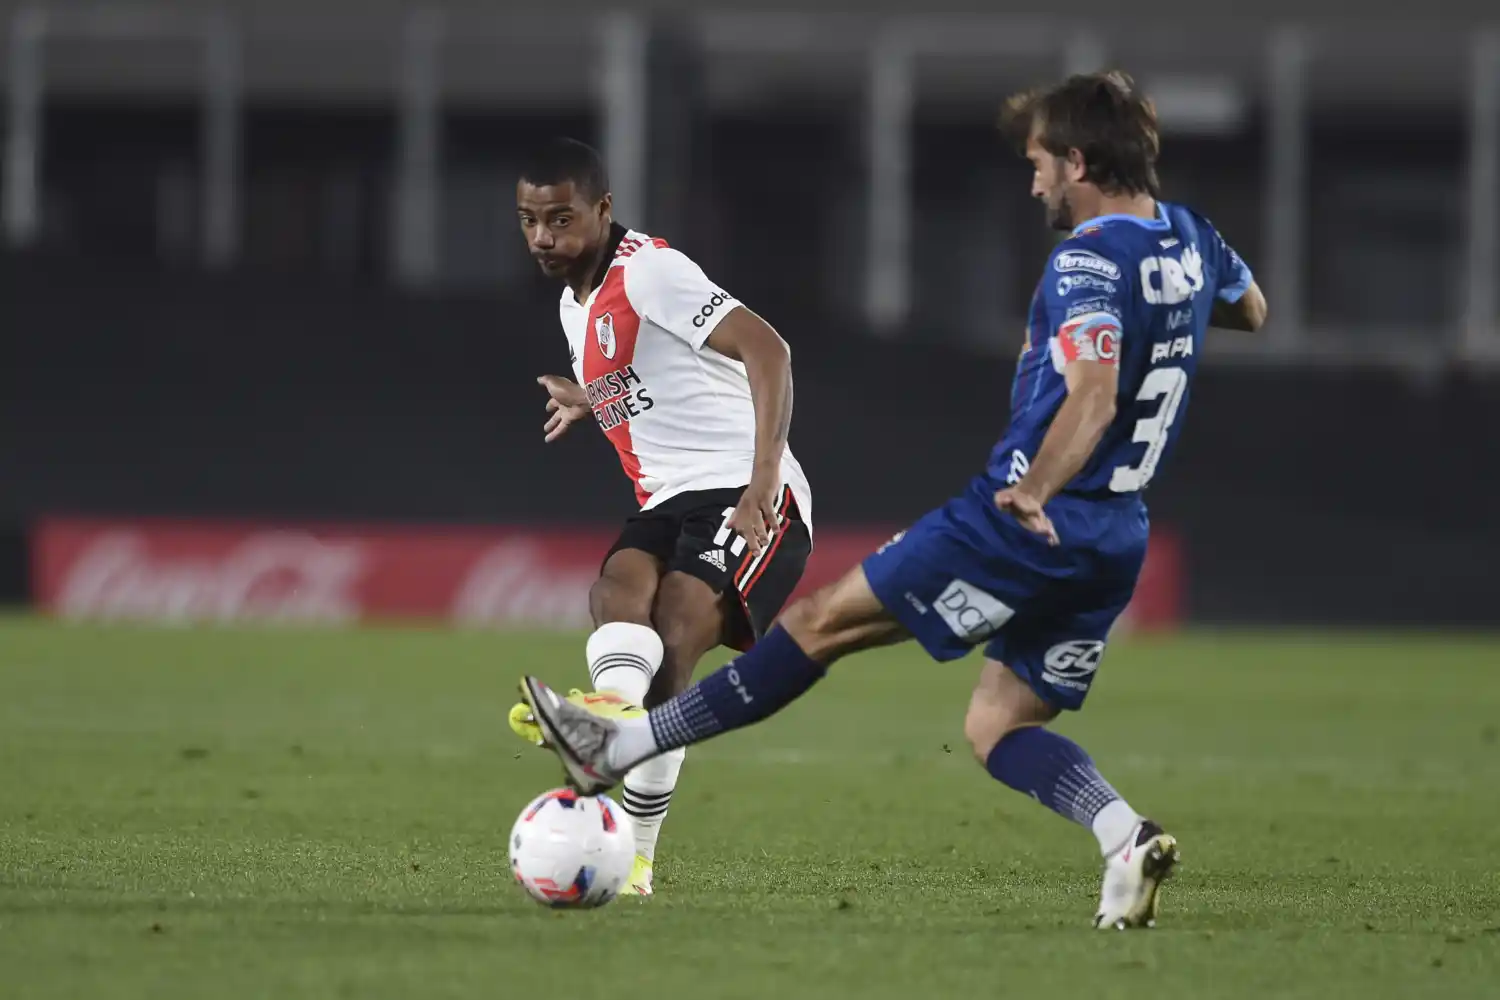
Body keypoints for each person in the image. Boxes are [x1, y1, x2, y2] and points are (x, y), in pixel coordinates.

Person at [518, 73, 1267, 929]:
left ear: (1079, 161)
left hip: (1025, 513)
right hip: (1116, 534)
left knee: (815, 626)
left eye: (1039, 166)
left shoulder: (1089, 259)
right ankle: (1124, 836)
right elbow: (1250, 307)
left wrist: (1032, 489)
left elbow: (1092, 395)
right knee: (997, 727)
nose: (1033, 186)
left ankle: (619, 744)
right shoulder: (1192, 239)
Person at [507, 137, 815, 897]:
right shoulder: (571, 305)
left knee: (677, 628)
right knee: (618, 590)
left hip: (747, 493)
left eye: (561, 218)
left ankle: (634, 853)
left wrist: (762, 482)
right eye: (529, 220)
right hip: (669, 496)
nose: (544, 236)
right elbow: (659, 378)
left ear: (603, 211)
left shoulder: (649, 272)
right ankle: (611, 719)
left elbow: (768, 351)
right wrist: (592, 397)